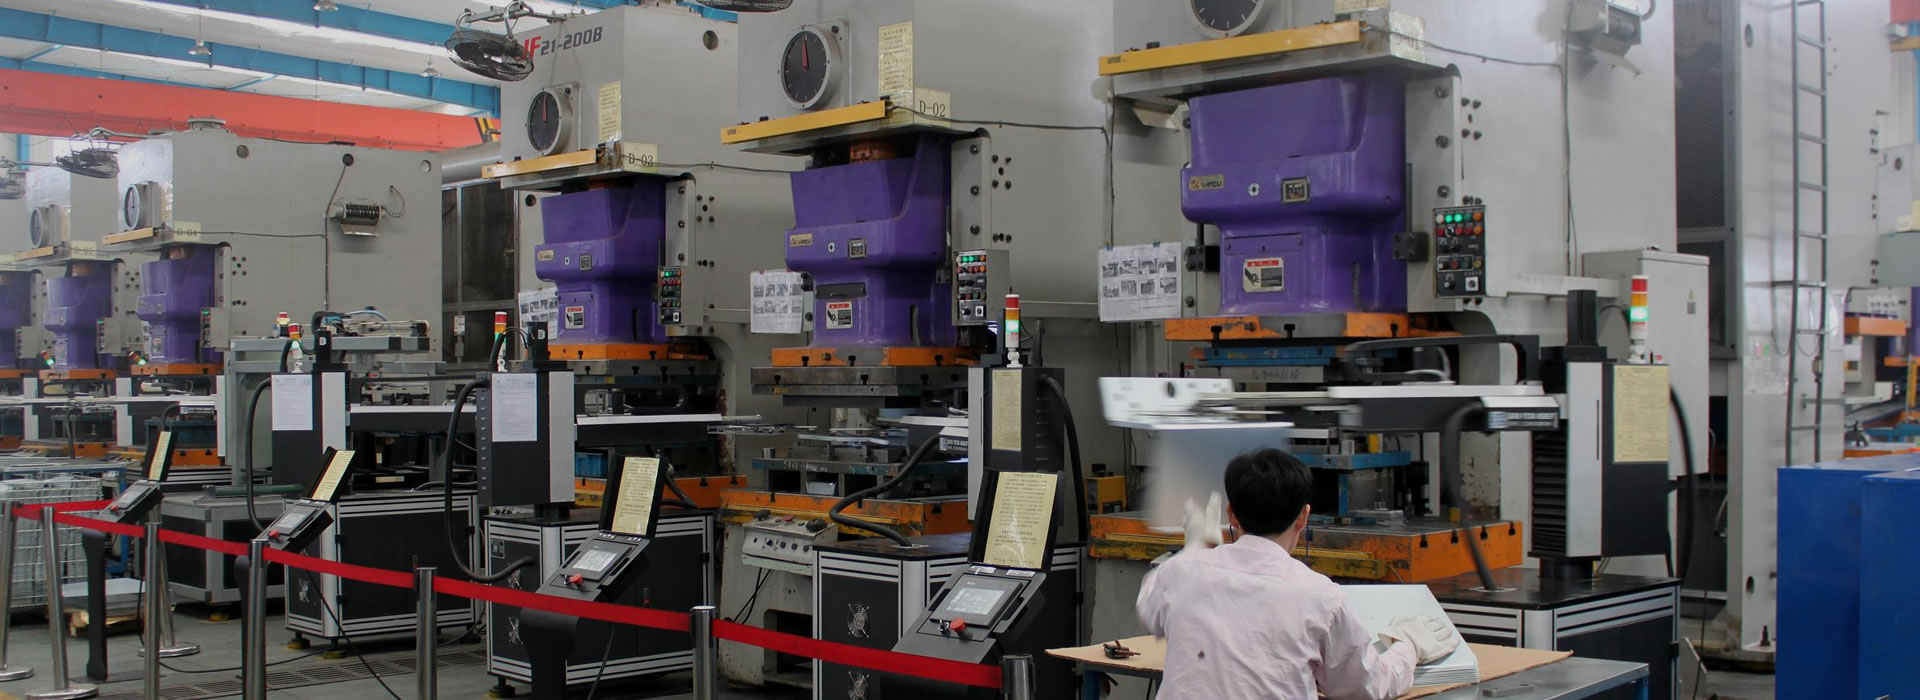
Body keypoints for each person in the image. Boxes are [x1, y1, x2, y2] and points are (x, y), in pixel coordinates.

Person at [1136, 448, 1461, 699]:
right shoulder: (1321, 597)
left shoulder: (1179, 574)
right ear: (1304, 517)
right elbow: (1364, 688)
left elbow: (1150, 610)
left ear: (1231, 514)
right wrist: (1408, 648)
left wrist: (1195, 549)